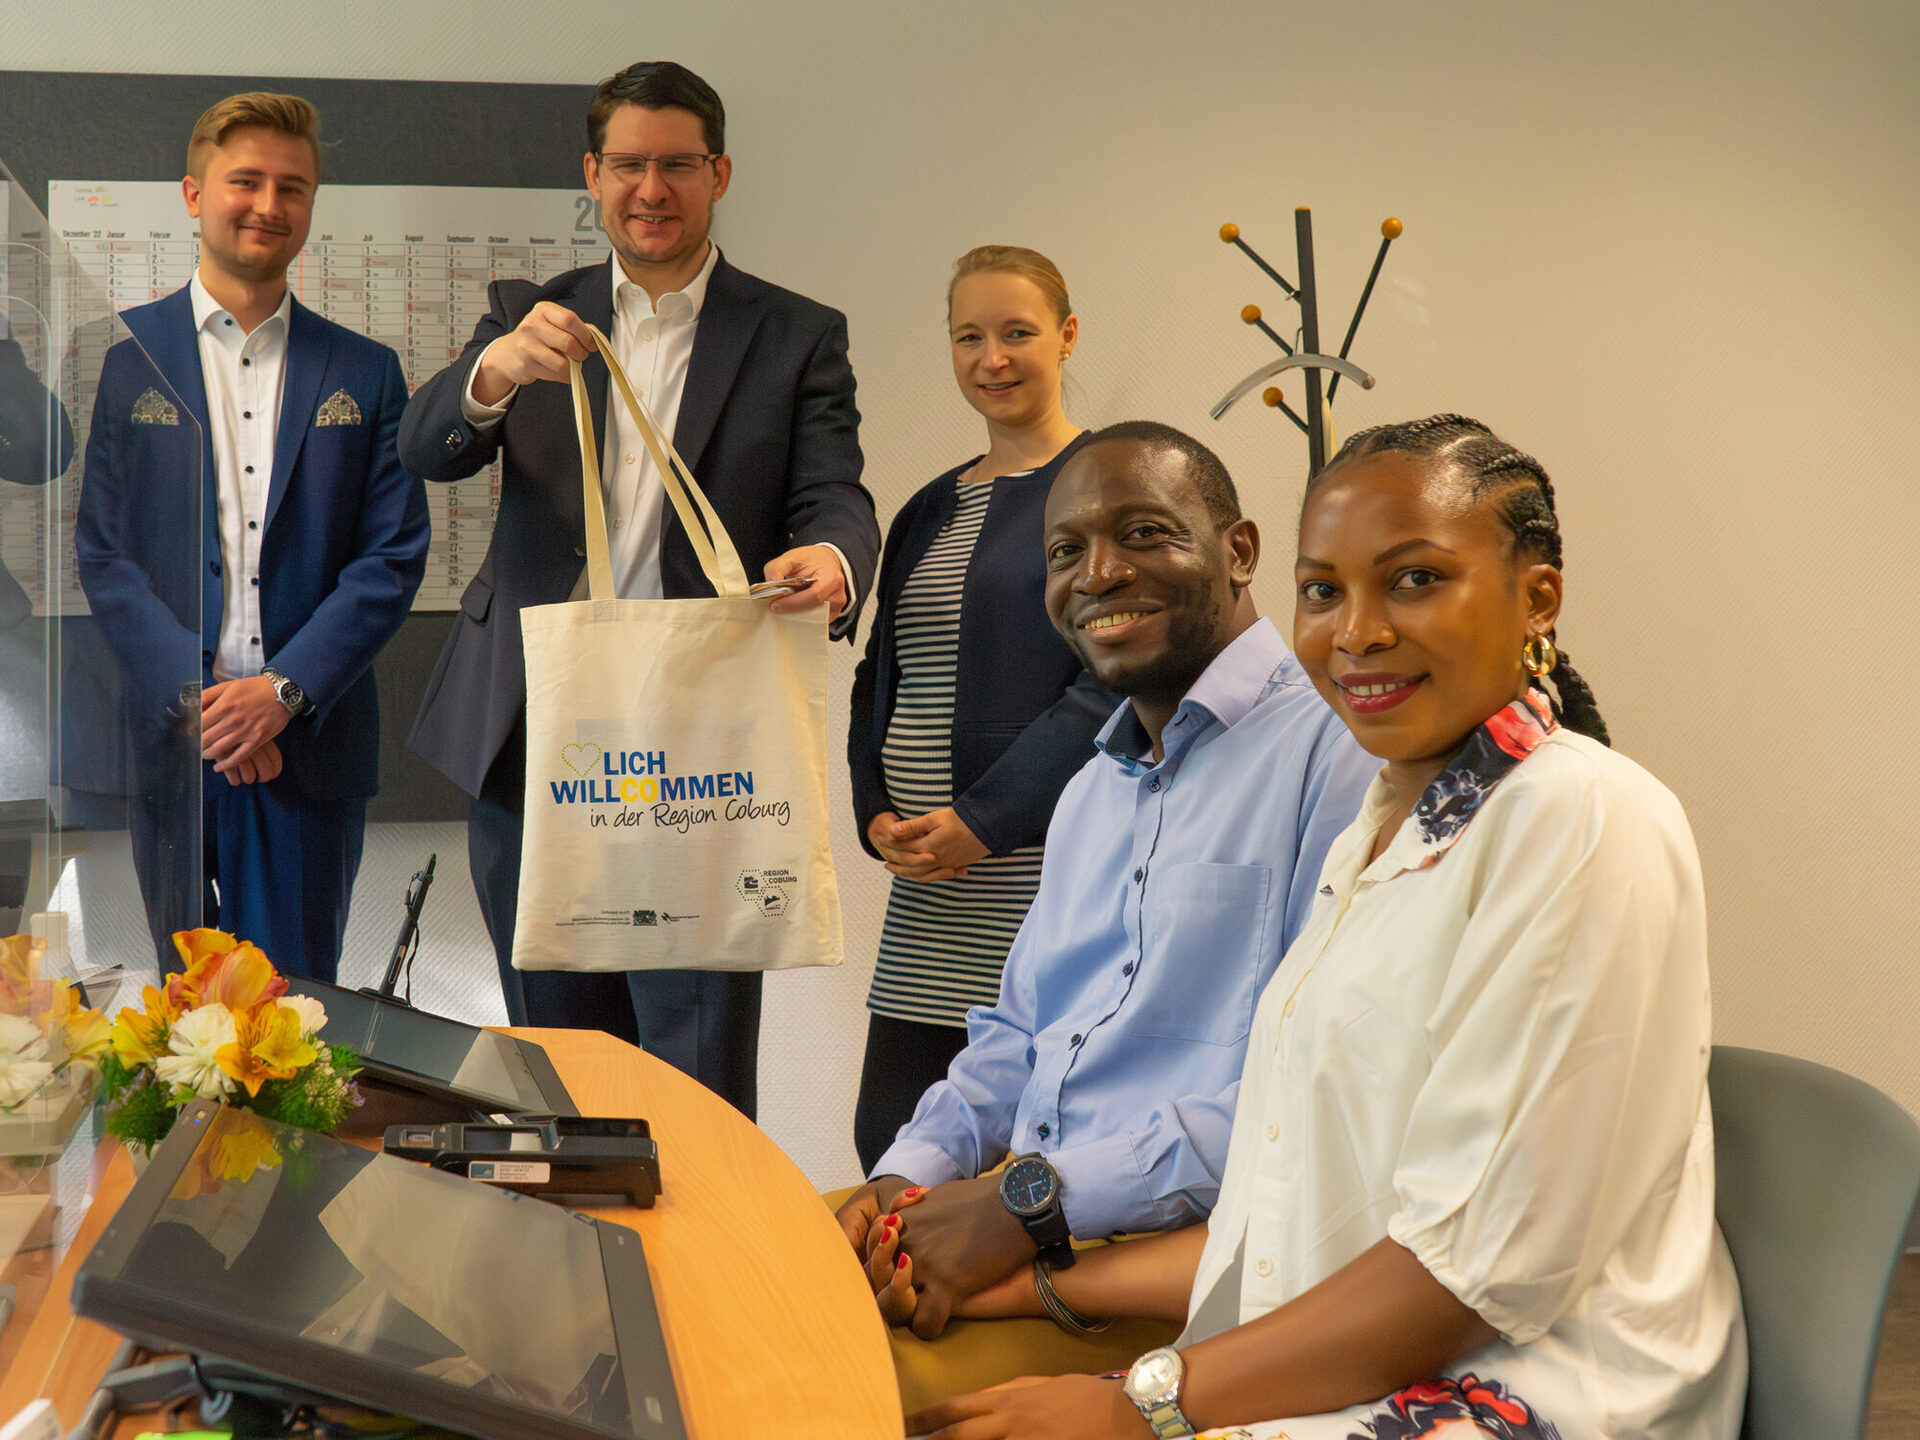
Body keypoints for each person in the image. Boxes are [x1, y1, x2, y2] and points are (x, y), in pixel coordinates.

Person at [893, 415, 1745, 1440]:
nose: (1357, 633)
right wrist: (1033, 1288)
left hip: (1531, 1386)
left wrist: (1134, 1403)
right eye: (1324, 591)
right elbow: (1286, 1212)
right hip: (1350, 1348)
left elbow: (1466, 1276)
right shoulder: (1381, 836)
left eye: (1415, 580)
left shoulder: (1581, 814)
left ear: (1538, 599)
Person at [833, 421, 1376, 1400]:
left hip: (1184, 1266)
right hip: (1026, 1215)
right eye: (1065, 551)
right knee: (754, 1277)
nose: (1098, 574)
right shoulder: (1089, 792)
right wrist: (904, 1181)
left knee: (832, 1388)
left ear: (1239, 551)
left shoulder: (1339, 754)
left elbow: (1312, 1092)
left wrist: (1028, 1207)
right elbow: (1015, 1036)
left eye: (1143, 533)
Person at [398, 61, 879, 1119]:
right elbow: (425, 447)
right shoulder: (530, 315)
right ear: (593, 175)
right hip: (531, 730)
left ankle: (701, 1234)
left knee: (694, 1065)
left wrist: (835, 559)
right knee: (553, 1064)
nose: (650, 190)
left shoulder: (796, 332)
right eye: (627, 166)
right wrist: (493, 372)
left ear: (720, 175)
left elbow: (834, 492)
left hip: (703, 745)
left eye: (677, 166)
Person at [75, 92, 429, 980]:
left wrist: (280, 693)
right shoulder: (123, 358)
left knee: (294, 1009)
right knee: (184, 1011)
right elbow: (105, 557)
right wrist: (207, 705)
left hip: (306, 749)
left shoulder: (366, 372)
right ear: (195, 194)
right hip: (175, 745)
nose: (269, 204)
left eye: (292, 186)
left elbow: (390, 559)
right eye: (246, 181)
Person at [846, 245, 1119, 1172]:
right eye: (969, 337)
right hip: (928, 893)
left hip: (1038, 881)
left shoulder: (1104, 489)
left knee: (1026, 1162)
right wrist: (874, 812)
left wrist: (984, 821)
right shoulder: (929, 505)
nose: (992, 358)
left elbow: (1109, 686)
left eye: (1017, 333)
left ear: (1067, 336)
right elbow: (879, 676)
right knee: (889, 1143)